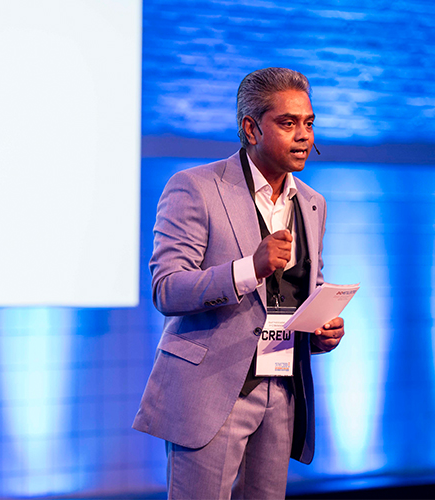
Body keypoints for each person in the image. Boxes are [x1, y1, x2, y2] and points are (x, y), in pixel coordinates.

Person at [132, 67, 345, 499]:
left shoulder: (312, 203)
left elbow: (308, 287)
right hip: (212, 390)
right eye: (288, 123)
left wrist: (321, 330)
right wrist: (249, 267)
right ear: (251, 128)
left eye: (309, 123)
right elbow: (167, 288)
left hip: (282, 388)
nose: (303, 135)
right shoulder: (195, 187)